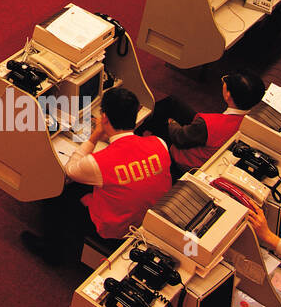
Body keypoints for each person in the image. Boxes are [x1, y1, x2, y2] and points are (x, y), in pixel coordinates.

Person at [22, 87, 172, 265]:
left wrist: (94, 137)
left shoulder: (99, 163)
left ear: (105, 118)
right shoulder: (159, 143)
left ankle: (51, 249)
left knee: (58, 188)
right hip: (151, 219)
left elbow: (70, 169)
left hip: (114, 229)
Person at [138, 72, 265, 170]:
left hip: (185, 159)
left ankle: (132, 135)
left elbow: (179, 137)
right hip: (205, 140)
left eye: (226, 81)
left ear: (228, 95)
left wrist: (171, 123)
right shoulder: (253, 121)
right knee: (172, 103)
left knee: (161, 119)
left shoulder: (209, 123)